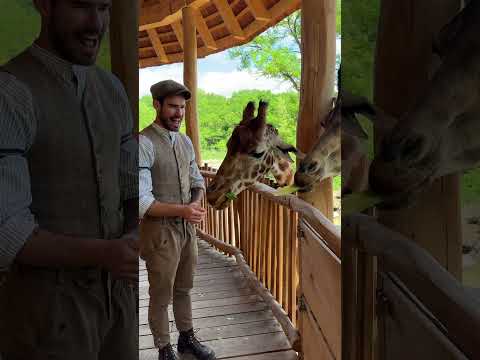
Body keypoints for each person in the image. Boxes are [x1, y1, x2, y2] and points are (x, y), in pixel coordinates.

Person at [0, 1, 138, 359]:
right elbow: (8, 233)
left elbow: (131, 184)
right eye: (81, 5)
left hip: (118, 306)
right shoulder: (10, 93)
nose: (96, 23)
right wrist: (108, 253)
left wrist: (134, 235)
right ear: (44, 4)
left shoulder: (113, 90)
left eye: (104, 8)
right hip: (45, 315)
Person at [139, 80, 216, 360]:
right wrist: (183, 211)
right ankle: (164, 348)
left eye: (182, 107)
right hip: (159, 233)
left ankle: (186, 339)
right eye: (172, 106)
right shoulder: (143, 143)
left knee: (184, 287)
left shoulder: (185, 142)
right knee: (161, 293)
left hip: (186, 231)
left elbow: (197, 180)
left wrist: (194, 204)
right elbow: (142, 202)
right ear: (157, 105)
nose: (178, 113)